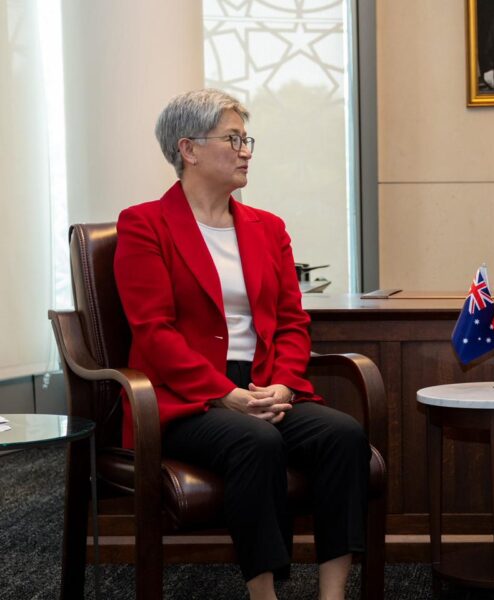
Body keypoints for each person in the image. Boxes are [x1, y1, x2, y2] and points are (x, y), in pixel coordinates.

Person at [114, 89, 370, 600]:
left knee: (343, 435)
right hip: (185, 398)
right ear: (188, 149)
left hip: (263, 385)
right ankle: (263, 594)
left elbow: (293, 322)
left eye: (246, 139)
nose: (246, 151)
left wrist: (284, 385)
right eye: (233, 139)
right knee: (257, 441)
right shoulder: (144, 224)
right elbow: (154, 331)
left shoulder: (268, 228)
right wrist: (222, 394)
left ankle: (333, 595)